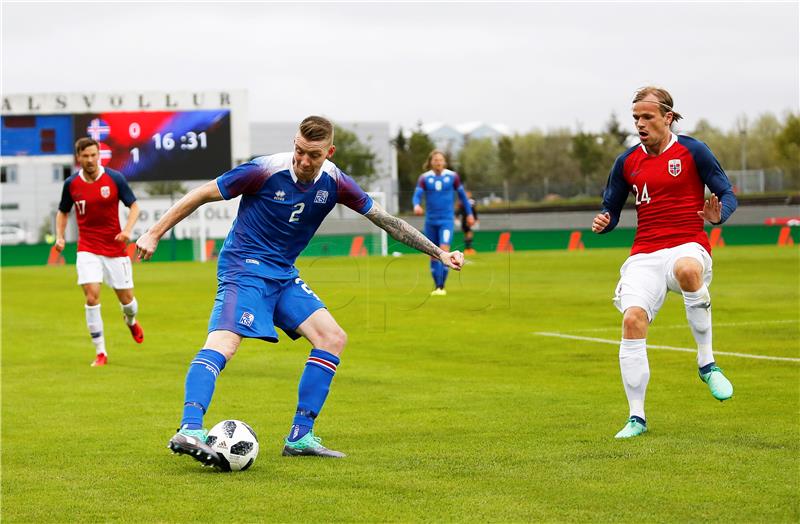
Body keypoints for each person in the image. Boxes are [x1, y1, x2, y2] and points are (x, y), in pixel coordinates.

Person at [135, 116, 465, 465]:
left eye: (314, 155)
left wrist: (439, 252)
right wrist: (154, 233)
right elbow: (202, 194)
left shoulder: (336, 181)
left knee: (332, 337)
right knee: (226, 342)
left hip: (283, 274)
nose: (304, 161)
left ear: (329, 152)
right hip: (244, 266)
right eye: (300, 151)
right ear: (295, 142)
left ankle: (300, 436)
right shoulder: (263, 170)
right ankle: (190, 428)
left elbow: (387, 222)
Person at [592, 86, 738, 439]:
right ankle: (636, 418)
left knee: (688, 270)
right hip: (644, 253)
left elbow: (727, 193)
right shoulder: (626, 161)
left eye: (647, 117)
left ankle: (706, 362)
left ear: (668, 117)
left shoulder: (693, 150)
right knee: (632, 319)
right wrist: (605, 222)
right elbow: (611, 208)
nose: (640, 124)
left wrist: (717, 218)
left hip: (687, 242)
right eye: (636, 118)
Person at [55, 137, 144, 367]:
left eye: (94, 155)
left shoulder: (115, 178)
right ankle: (101, 352)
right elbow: (63, 211)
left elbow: (134, 206)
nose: (91, 160)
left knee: (128, 302)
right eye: (85, 156)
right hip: (87, 248)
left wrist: (127, 230)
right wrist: (60, 236)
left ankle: (131, 321)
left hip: (115, 248)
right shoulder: (71, 184)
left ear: (99, 155)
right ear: (79, 158)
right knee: (92, 296)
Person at [413, 150, 475, 296]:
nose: (438, 162)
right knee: (433, 253)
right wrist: (416, 205)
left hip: (446, 220)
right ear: (430, 162)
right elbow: (417, 195)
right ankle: (437, 286)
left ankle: (441, 286)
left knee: (444, 249)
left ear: (445, 162)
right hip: (430, 221)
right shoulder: (424, 178)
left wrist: (470, 214)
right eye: (435, 160)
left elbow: (463, 197)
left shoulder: (453, 177)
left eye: (441, 160)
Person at [456, 190, 479, 255]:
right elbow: (473, 210)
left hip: (466, 219)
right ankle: (469, 249)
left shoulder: (463, 201)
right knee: (469, 234)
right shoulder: (469, 201)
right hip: (468, 219)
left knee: (467, 234)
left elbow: (473, 210)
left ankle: (467, 249)